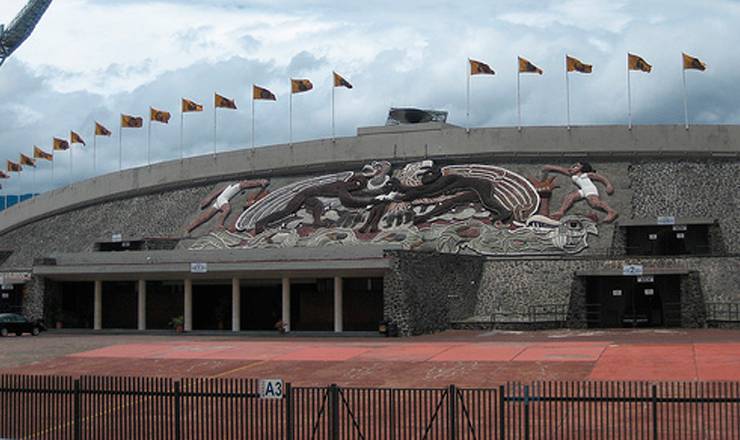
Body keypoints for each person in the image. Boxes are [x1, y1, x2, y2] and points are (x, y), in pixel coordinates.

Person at [542, 162, 618, 223]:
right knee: (570, 197)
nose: (572, 167)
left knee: (594, 202)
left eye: (576, 166)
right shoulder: (573, 175)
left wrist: (608, 185)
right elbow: (561, 169)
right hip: (583, 190)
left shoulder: (587, 175)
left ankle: (611, 211)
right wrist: (550, 167)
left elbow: (600, 178)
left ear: (581, 168)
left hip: (589, 189)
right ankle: (561, 211)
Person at [187, 179, 269, 234]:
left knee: (205, 216)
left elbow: (218, 192)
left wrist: (210, 198)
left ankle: (190, 227)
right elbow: (249, 184)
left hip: (220, 200)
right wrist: (260, 182)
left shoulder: (231, 186)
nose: (245, 182)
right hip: (222, 199)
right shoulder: (237, 185)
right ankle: (219, 224)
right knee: (226, 209)